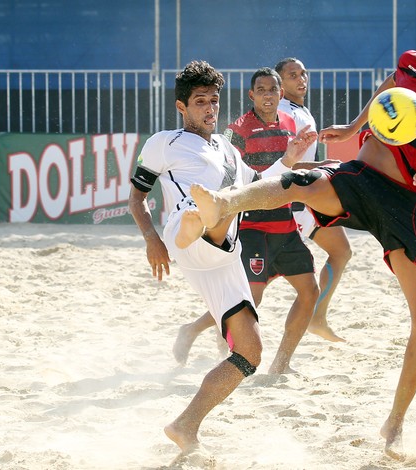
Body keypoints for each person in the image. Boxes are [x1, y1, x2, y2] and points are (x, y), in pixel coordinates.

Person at [189, 15, 416, 460]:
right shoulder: (410, 65)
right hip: (361, 176)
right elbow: (389, 86)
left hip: (406, 202)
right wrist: (352, 127)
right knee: (297, 182)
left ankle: (394, 423)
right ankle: (225, 203)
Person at [127, 60, 316, 459]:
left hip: (225, 255)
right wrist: (151, 239)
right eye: (200, 102)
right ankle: (200, 219)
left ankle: (185, 425)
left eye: (214, 100)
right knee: (205, 213)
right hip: (186, 235)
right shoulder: (165, 141)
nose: (210, 108)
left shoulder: (229, 150)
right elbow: (137, 197)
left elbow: (263, 187)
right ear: (182, 106)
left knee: (249, 353)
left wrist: (292, 156)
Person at [173, 67, 322, 375]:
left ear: (281, 95)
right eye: (261, 90)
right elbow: (226, 174)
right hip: (252, 224)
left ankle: (281, 364)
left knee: (310, 291)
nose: (268, 95)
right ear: (251, 95)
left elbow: (290, 165)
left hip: (284, 221)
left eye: (273, 90)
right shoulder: (236, 130)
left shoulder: (292, 123)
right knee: (249, 298)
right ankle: (211, 344)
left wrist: (321, 167)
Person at [275, 57, 352, 342]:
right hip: (290, 203)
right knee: (261, 281)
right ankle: (200, 329)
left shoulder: (299, 109)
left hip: (307, 200)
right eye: (293, 75)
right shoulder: (284, 112)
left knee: (342, 251)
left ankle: (318, 318)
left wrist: (318, 164)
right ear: (279, 83)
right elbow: (280, 164)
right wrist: (321, 166)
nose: (301, 79)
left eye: (304, 73)